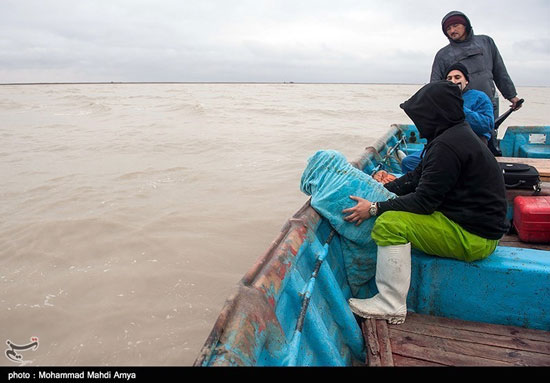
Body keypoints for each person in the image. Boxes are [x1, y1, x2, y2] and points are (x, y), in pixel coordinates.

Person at [342, 81, 509, 324]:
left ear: (435, 113)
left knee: (389, 223)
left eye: (421, 116)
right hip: (470, 224)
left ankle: (390, 304)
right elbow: (415, 178)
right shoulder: (453, 135)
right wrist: (378, 190)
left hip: (474, 238)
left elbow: (423, 202)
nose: (418, 123)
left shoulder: (448, 146)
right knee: (393, 212)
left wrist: (374, 208)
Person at [430, 10, 522, 155]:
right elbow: (434, 87)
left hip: (488, 102)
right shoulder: (443, 55)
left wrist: (511, 95)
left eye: (455, 25)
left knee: (488, 138)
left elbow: (499, 71)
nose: (452, 30)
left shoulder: (486, 42)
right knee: (462, 144)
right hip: (459, 106)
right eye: (448, 29)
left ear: (466, 25)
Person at [400, 62, 494, 172]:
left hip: (472, 147)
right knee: (408, 162)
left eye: (457, 77)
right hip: (443, 145)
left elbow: (487, 125)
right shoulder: (441, 98)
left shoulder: (480, 97)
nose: (453, 81)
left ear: (466, 80)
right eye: (449, 78)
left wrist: (457, 106)